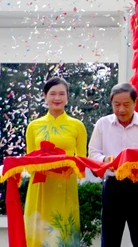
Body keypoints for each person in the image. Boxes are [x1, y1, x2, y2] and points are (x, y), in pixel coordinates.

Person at [24, 77, 88, 247]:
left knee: (63, 230)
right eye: (52, 94)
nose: (57, 98)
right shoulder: (34, 126)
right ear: (45, 96)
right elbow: (29, 161)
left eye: (61, 94)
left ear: (68, 97)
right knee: (38, 232)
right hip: (41, 186)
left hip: (65, 185)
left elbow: (82, 161)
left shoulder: (77, 126)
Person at [88, 82, 138, 247]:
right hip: (113, 187)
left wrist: (136, 166)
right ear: (111, 103)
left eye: (126, 104)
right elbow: (93, 153)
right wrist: (106, 161)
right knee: (110, 238)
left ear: (135, 102)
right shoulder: (103, 123)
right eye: (116, 105)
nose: (121, 110)